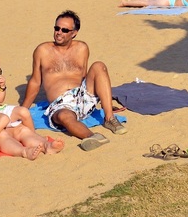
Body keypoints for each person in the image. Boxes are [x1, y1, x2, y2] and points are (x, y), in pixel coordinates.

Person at [22, 10, 126, 151]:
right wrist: (23, 110)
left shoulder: (81, 48)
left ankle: (109, 118)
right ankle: (92, 137)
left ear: (74, 33)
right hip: (61, 104)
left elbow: (85, 77)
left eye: (64, 30)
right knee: (65, 116)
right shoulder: (42, 51)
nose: (59, 32)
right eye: (56, 28)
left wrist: (106, 100)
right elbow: (35, 82)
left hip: (82, 96)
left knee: (99, 66)